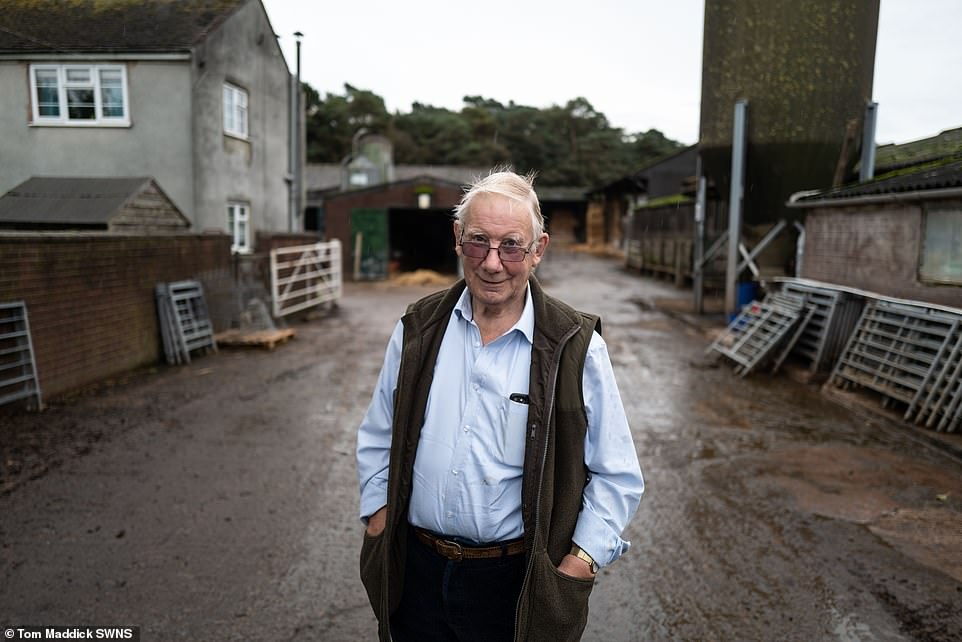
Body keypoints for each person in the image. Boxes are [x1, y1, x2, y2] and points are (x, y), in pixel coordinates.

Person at [356, 169, 644, 642]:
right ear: (457, 240)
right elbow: (377, 435)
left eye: (511, 245)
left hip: (516, 585)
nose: (492, 263)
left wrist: (580, 562)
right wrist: (378, 517)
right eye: (478, 242)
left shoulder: (576, 345)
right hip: (417, 572)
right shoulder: (418, 329)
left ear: (538, 251)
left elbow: (617, 474)